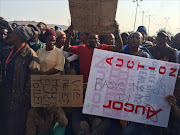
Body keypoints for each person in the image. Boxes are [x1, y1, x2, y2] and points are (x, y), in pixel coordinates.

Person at [1, 26, 40, 135]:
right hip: (7, 94)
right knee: (6, 125)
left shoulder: (30, 54)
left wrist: (23, 97)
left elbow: (33, 79)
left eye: (12, 34)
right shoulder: (9, 51)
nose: (10, 35)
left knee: (16, 127)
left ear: (18, 37)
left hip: (19, 99)